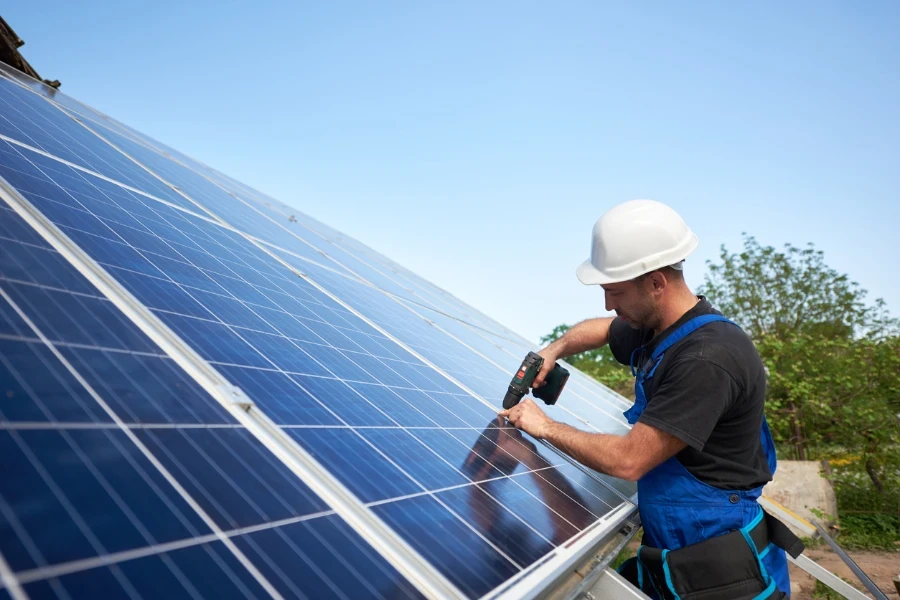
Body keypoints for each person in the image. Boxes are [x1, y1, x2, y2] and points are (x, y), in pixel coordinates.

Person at [499, 199, 802, 599]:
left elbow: (629, 460)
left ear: (657, 283)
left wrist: (543, 426)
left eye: (614, 291)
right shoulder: (660, 328)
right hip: (677, 553)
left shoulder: (707, 357)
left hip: (719, 568)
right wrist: (555, 349)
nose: (609, 303)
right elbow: (604, 329)